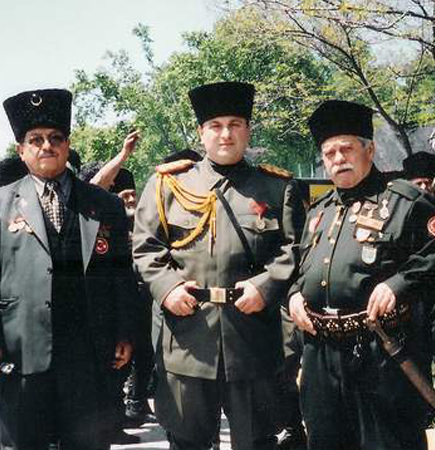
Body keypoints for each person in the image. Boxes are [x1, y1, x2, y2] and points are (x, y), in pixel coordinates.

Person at [133, 81, 306, 450]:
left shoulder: (277, 188)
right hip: (188, 338)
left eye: (235, 124)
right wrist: (167, 288)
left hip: (253, 338)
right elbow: (146, 247)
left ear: (248, 130)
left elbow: (294, 249)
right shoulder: (168, 185)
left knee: (257, 441)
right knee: (187, 441)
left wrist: (266, 286)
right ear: (201, 132)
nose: (225, 134)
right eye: (215, 125)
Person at [288, 99, 435, 450]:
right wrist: (294, 295)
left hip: (380, 351)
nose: (338, 159)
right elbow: (300, 268)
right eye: (329, 153)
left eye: (346, 149)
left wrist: (399, 283)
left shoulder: (405, 201)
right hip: (321, 354)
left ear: (369, 150)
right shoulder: (318, 213)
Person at [0, 88, 137, 450]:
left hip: (88, 353)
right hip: (23, 353)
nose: (47, 146)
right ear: (21, 150)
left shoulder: (104, 204)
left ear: (67, 144)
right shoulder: (0, 205)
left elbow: (122, 275)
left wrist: (125, 331)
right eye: (36, 139)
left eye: (55, 138)